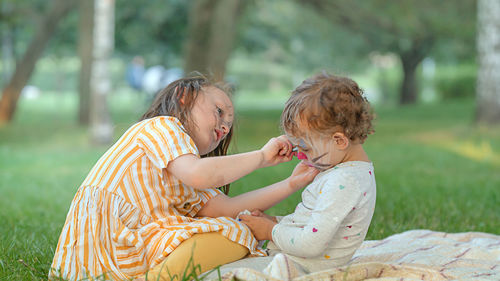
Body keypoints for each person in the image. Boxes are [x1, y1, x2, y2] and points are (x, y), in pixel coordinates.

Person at [49, 75, 319, 281]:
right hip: (110, 236)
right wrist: (261, 156)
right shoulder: (162, 127)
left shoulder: (187, 165)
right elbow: (200, 175)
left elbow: (226, 208)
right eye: (219, 111)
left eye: (229, 124)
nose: (225, 126)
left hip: (133, 242)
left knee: (238, 224)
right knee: (237, 232)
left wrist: (290, 184)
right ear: (184, 97)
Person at [240, 73, 376, 278]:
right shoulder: (345, 172)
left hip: (301, 268)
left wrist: (270, 231)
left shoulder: (344, 181)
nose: (301, 155)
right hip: (299, 260)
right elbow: (312, 225)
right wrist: (275, 222)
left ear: (339, 141)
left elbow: (311, 244)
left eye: (306, 148)